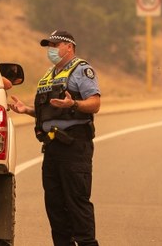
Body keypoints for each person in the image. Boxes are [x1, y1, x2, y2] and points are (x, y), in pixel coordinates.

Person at [8, 29, 101, 246]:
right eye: (49, 46)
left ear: (69, 47)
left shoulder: (82, 70)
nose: (51, 50)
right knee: (55, 207)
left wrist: (74, 104)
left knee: (77, 203)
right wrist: (27, 110)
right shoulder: (49, 75)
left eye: (55, 45)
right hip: (51, 148)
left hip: (74, 145)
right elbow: (50, 113)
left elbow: (95, 103)